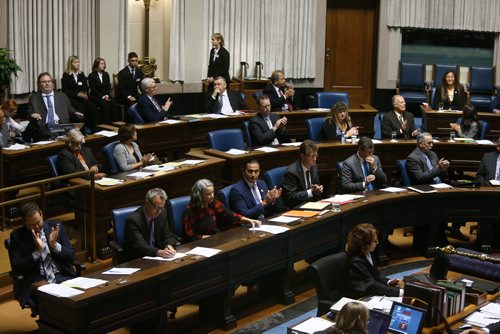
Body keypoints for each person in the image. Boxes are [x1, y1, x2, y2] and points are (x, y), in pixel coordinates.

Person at [9, 202, 76, 312]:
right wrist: (38, 252)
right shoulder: (17, 237)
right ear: (24, 222)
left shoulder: (56, 227)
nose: (36, 227)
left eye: (38, 222)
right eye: (32, 225)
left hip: (62, 276)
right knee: (56, 301)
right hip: (38, 281)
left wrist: (55, 246)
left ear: (41, 214)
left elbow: (71, 256)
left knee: (81, 298)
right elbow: (17, 268)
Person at [406, 132, 468, 241]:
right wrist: (438, 168)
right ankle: (440, 237)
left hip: (440, 186)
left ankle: (455, 229)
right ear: (420, 144)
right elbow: (420, 178)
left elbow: (442, 175)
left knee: (462, 197)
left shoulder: (433, 154)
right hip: (425, 189)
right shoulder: (413, 158)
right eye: (429, 143)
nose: (431, 145)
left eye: (432, 143)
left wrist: (444, 168)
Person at [182, 179, 260, 242]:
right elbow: (189, 236)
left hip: (216, 238)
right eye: (208, 194)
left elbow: (230, 215)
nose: (212, 196)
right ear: (199, 195)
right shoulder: (190, 212)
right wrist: (203, 237)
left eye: (213, 192)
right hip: (201, 243)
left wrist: (249, 220)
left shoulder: (213, 203)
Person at [343, 223, 401, 299]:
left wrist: (389, 282)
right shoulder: (356, 263)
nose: (378, 243)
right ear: (365, 244)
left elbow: (375, 277)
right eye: (375, 241)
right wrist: (399, 292)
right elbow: (371, 285)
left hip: (369, 292)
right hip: (357, 299)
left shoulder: (368, 254)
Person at [123, 188, 180, 262]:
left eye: (161, 208)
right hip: (138, 259)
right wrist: (159, 252)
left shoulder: (162, 213)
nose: (159, 211)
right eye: (157, 208)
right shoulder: (133, 220)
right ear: (147, 203)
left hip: (158, 258)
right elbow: (140, 246)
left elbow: (167, 236)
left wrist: (169, 246)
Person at [27, 72, 83, 142]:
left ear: (52, 83)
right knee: (50, 135)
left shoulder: (62, 96)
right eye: (44, 82)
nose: (47, 83)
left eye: (49, 81)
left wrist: (76, 114)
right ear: (39, 84)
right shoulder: (34, 98)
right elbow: (29, 113)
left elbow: (71, 110)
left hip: (62, 126)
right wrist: (32, 115)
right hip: (45, 127)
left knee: (77, 137)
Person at [61, 55, 98, 133]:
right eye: (75, 62)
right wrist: (77, 94)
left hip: (82, 98)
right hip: (72, 99)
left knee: (92, 106)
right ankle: (82, 131)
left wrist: (85, 94)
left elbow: (85, 86)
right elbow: (65, 91)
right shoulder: (66, 75)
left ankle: (93, 130)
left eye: (78, 62)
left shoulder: (81, 74)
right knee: (81, 108)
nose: (77, 64)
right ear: (70, 64)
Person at [282, 140, 323, 208]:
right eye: (312, 156)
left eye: (316, 155)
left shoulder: (313, 167)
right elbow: (291, 197)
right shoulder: (291, 172)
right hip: (297, 207)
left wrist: (318, 189)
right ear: (303, 156)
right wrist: (311, 192)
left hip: (312, 205)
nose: (315, 159)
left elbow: (316, 185)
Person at [88, 57, 119, 123]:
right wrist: (103, 96)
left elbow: (108, 87)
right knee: (106, 105)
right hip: (96, 96)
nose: (103, 65)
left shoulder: (106, 74)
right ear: (97, 65)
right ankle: (106, 124)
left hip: (106, 95)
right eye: (101, 64)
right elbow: (93, 89)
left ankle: (115, 123)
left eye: (104, 64)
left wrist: (107, 95)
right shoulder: (92, 75)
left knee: (114, 104)